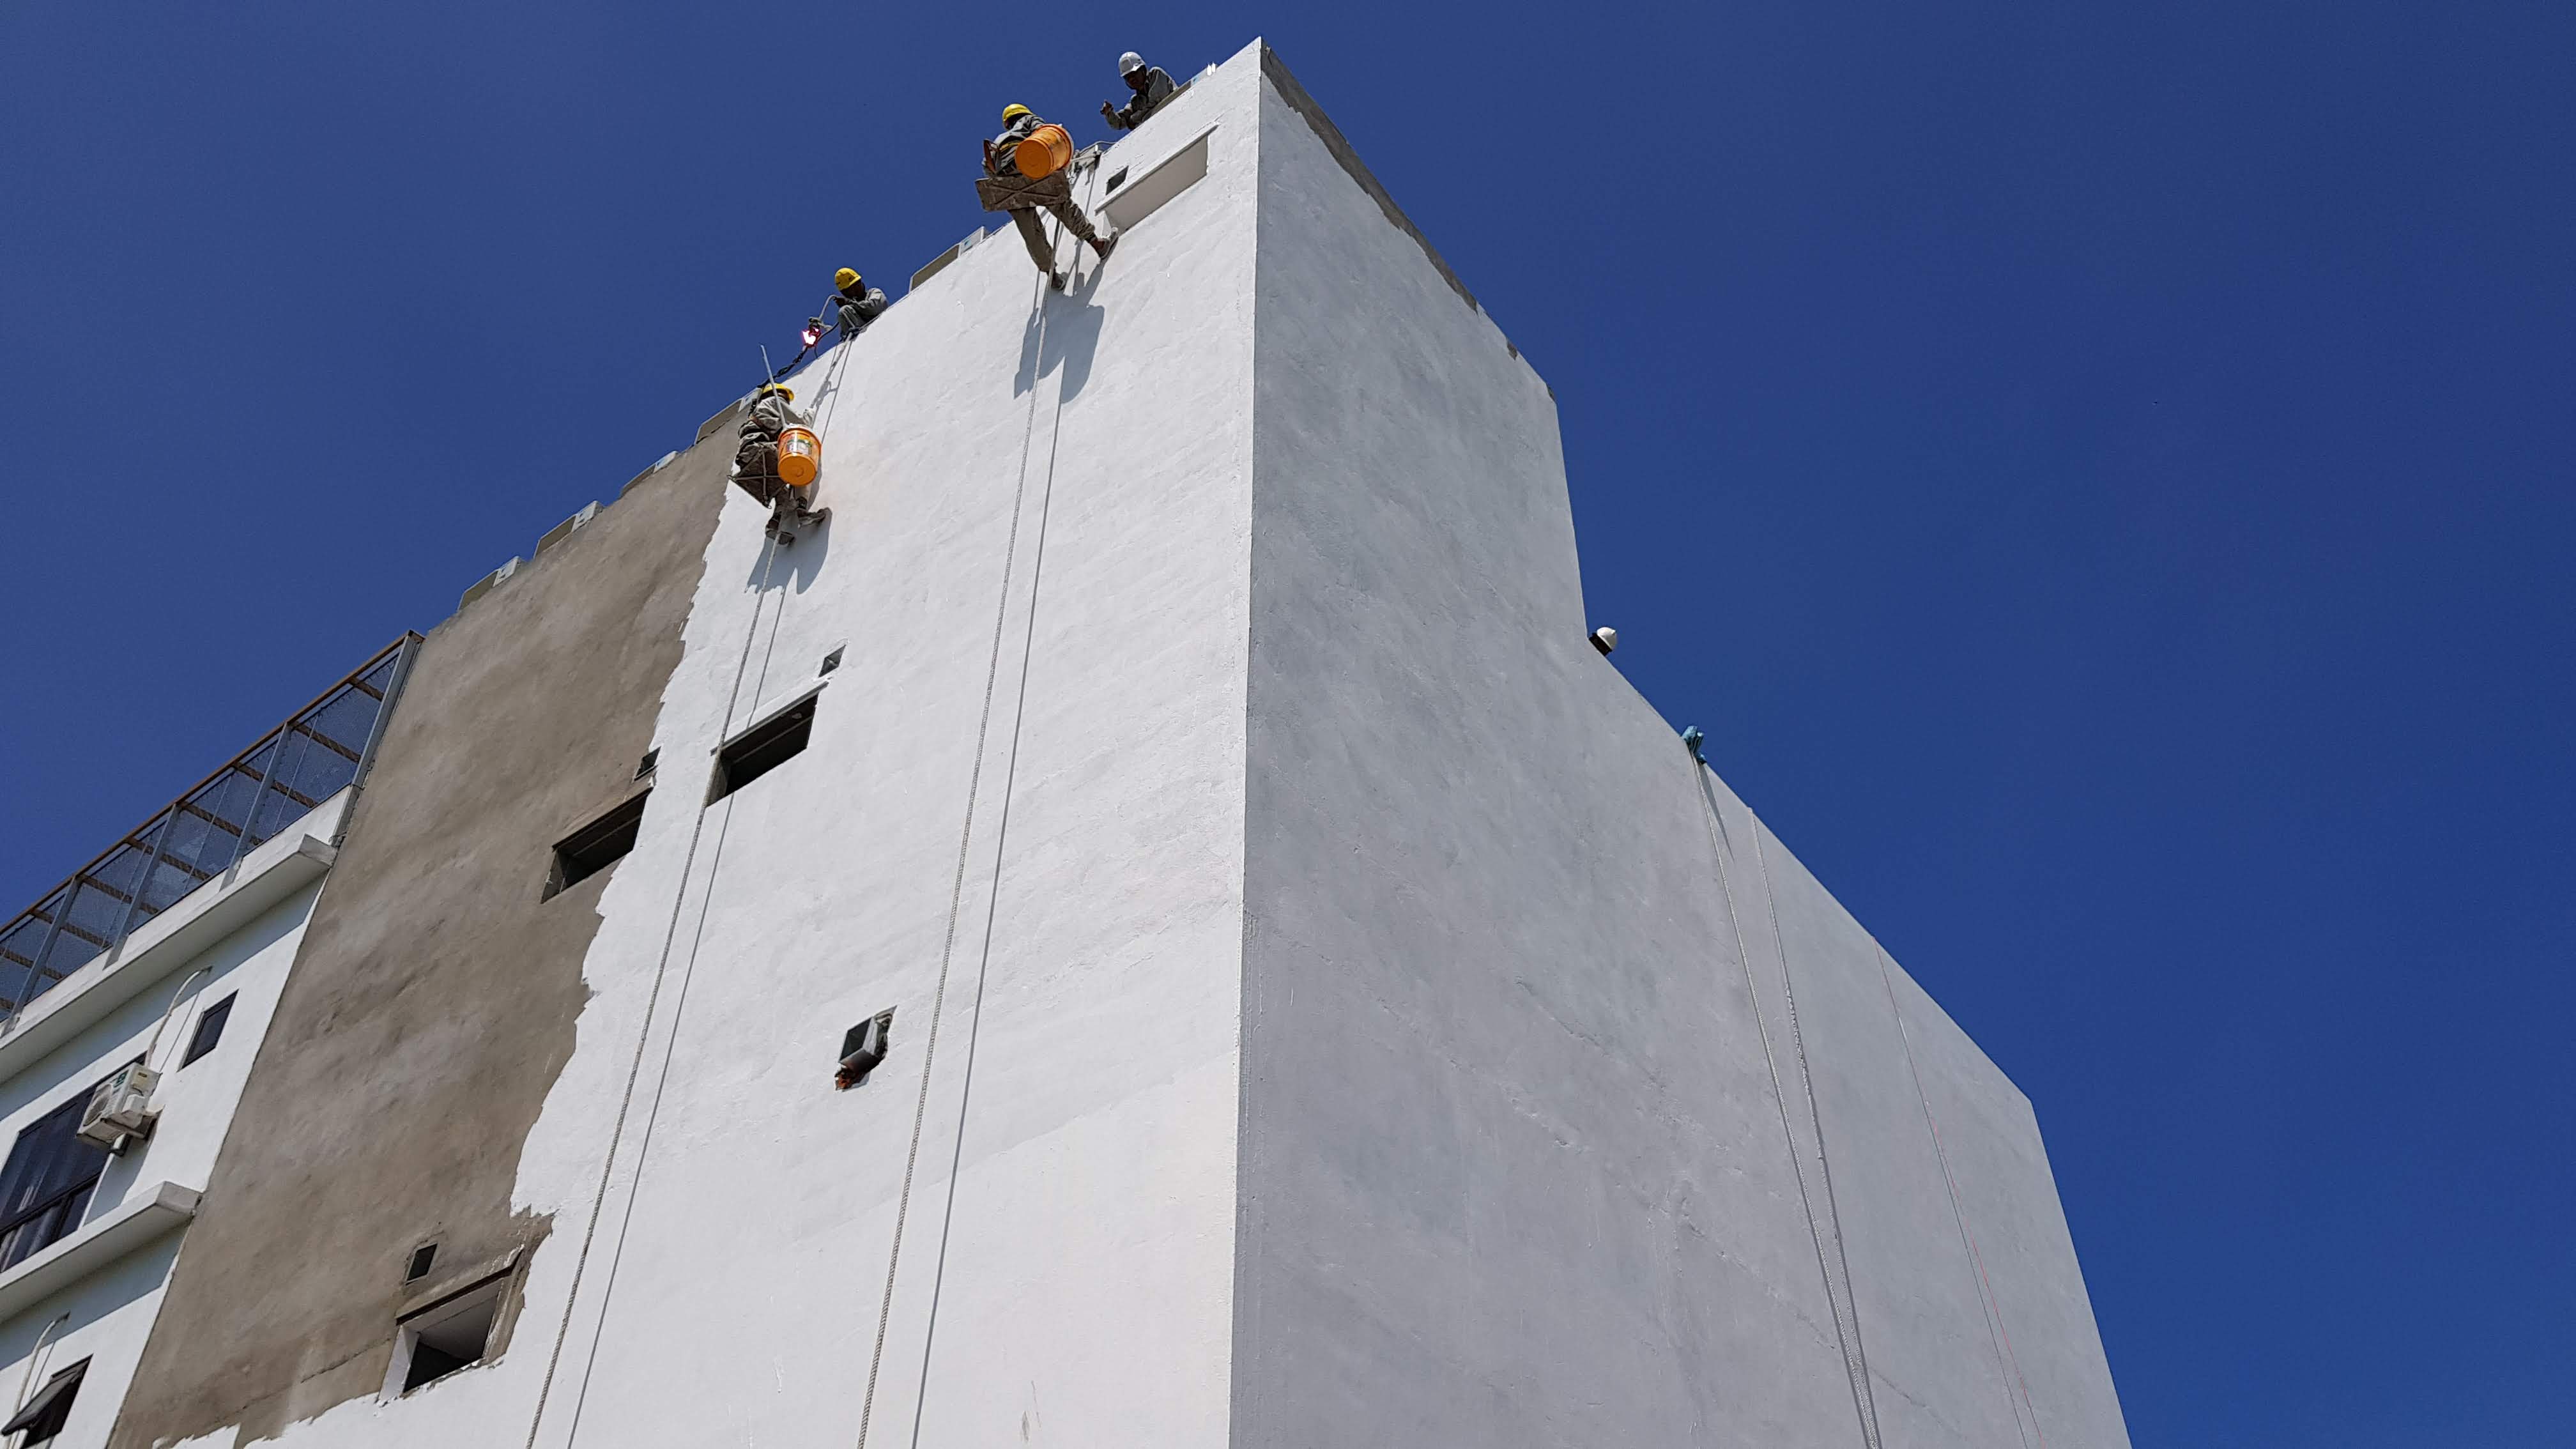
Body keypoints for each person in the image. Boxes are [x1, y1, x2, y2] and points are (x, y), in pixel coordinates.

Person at [977, 103, 1114, 291]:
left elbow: (987, 166)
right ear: (1023, 114)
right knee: (1062, 205)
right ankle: (1096, 243)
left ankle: (1052, 275)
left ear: (1007, 123)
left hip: (1005, 181)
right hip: (1027, 163)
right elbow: (1045, 135)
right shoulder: (1027, 120)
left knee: (1030, 231)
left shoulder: (999, 141)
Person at [731, 382, 827, 541]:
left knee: (782, 494)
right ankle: (802, 511)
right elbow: (801, 423)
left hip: (749, 457)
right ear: (778, 394)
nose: (786, 402)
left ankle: (773, 525)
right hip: (761, 450)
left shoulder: (760, 414)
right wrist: (810, 413)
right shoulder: (773, 401)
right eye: (786, 399)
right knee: (801, 464)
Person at [1101, 52, 1177, 130]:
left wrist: (1134, 119)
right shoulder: (1135, 101)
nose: (1131, 79)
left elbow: (1156, 103)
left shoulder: (1156, 74)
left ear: (1143, 70)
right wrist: (1109, 113)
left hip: (1175, 116)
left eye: (1134, 74)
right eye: (1127, 77)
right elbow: (1121, 122)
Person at [832, 267, 887, 339]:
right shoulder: (849, 312)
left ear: (860, 282)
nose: (854, 290)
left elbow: (874, 309)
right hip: (864, 338)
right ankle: (854, 338)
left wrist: (850, 303)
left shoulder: (874, 292)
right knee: (844, 311)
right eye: (849, 290)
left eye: (856, 285)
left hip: (883, 331)